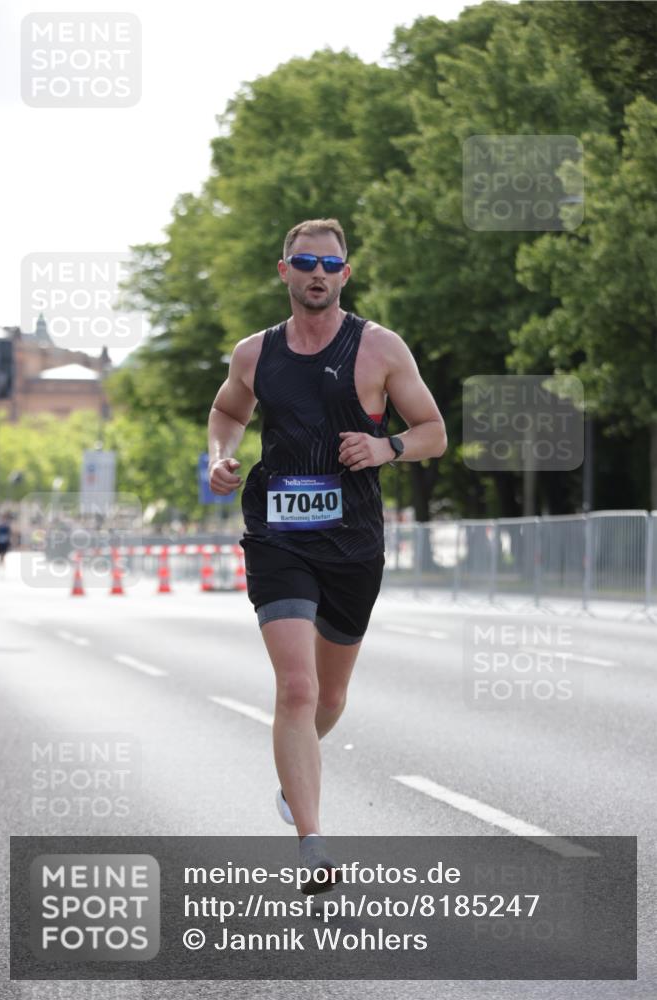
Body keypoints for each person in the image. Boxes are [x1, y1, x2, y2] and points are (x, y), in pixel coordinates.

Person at [207, 218, 446, 891]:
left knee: (330, 693)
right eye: (305, 261)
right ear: (282, 270)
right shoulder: (253, 354)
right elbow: (227, 412)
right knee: (296, 685)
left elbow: (432, 432)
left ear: (345, 274)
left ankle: (296, 774)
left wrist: (385, 447)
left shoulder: (378, 348)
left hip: (352, 542)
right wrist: (219, 457)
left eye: (330, 264)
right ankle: (312, 842)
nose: (318, 273)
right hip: (276, 534)